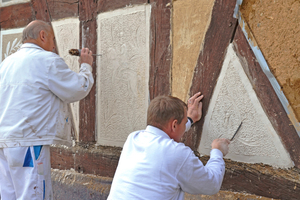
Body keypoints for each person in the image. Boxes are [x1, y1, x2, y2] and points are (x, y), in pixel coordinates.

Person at [0, 20, 94, 200]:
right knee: (33, 195)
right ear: (42, 36)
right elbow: (77, 87)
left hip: (3, 143)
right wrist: (86, 66)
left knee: (8, 196)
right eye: (52, 39)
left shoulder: (5, 64)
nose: (53, 46)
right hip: (28, 143)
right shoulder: (47, 60)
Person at [108, 93, 230, 199]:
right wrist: (217, 152)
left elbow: (166, 130)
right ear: (174, 125)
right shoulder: (178, 153)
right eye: (184, 122)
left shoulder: (133, 139)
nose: (185, 124)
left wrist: (189, 120)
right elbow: (211, 184)